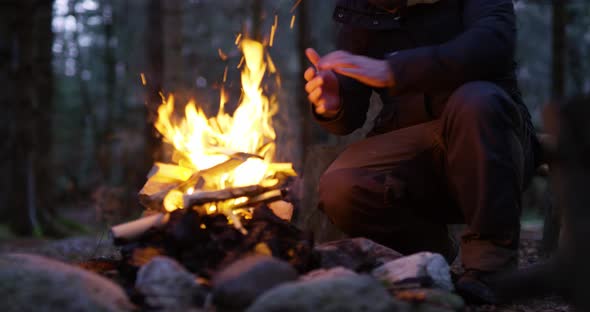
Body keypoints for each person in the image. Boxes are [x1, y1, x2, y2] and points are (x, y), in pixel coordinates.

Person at [304, 0, 539, 303]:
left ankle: (490, 269)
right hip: (410, 145)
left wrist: (393, 70)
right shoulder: (361, 11)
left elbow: (492, 44)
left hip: (490, 136)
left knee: (476, 101)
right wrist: (332, 104)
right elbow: (349, 114)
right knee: (341, 187)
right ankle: (428, 252)